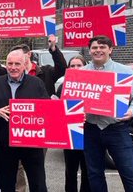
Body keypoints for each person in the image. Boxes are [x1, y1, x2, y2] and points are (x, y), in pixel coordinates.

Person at [82, 36, 133, 192]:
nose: (98, 50)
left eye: (102, 47)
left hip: (117, 128)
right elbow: (70, 101)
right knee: (94, 174)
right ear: (90, 51)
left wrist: (131, 111)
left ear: (110, 50)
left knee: (129, 172)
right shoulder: (80, 73)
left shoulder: (124, 71)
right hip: (90, 129)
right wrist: (75, 112)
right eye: (95, 47)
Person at [0, 50, 49, 192]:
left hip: (32, 143)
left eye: (17, 64)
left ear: (25, 65)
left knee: (37, 183)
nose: (13, 67)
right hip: (4, 142)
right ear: (5, 65)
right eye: (10, 63)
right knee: (6, 183)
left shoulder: (36, 83)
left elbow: (47, 109)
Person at [55, 55, 90, 192]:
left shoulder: (93, 84)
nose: (75, 68)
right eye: (72, 66)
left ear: (85, 66)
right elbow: (58, 110)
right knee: (70, 170)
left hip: (89, 132)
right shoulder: (63, 86)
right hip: (70, 132)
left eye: (79, 65)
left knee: (88, 170)